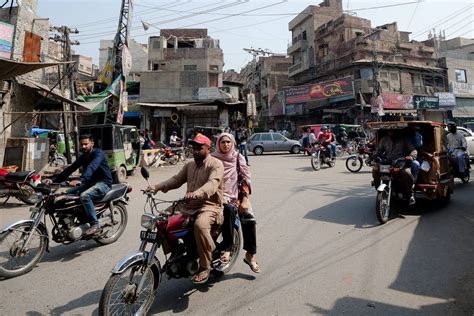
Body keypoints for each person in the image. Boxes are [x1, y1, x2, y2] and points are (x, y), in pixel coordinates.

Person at [147, 133, 224, 284]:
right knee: (161, 220)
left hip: (209, 206)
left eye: (199, 148)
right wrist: (156, 187)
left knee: (200, 225)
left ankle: (205, 266)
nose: (195, 151)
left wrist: (197, 193)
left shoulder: (216, 164)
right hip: (188, 205)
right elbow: (176, 180)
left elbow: (212, 184)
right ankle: (176, 253)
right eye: (193, 148)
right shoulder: (190, 165)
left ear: (208, 148)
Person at [213, 133, 261, 273]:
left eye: (228, 142)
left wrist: (245, 199)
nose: (226, 145)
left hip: (237, 196)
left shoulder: (238, 158)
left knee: (249, 221)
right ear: (218, 144)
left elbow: (246, 179)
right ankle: (224, 248)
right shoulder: (213, 158)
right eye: (223, 142)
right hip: (216, 197)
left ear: (232, 143)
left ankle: (250, 256)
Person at [52, 134, 113, 235]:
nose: (83, 146)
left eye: (86, 144)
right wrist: (54, 180)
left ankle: (95, 223)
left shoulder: (98, 154)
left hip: (103, 183)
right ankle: (78, 219)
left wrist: (81, 180)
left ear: (92, 143)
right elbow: (71, 169)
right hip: (90, 183)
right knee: (66, 195)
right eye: (81, 144)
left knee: (85, 196)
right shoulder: (83, 157)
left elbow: (92, 167)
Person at [374, 130, 418, 205]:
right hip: (388, 163)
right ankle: (380, 191)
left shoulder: (404, 139)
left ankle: (410, 195)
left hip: (401, 163)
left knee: (406, 173)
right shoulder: (384, 140)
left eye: (393, 131)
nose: (391, 133)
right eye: (390, 131)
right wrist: (373, 156)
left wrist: (411, 156)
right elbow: (378, 151)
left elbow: (413, 150)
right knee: (375, 170)